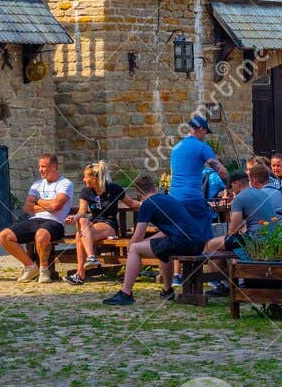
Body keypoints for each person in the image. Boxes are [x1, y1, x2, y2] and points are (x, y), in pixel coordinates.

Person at [104, 173, 214, 305]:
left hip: (183, 242)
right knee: (162, 249)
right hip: (198, 242)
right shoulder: (169, 199)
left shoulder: (147, 204)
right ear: (154, 188)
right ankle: (167, 290)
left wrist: (131, 247)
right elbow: (166, 232)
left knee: (134, 249)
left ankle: (126, 293)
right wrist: (146, 243)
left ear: (139, 193)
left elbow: (138, 235)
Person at [0, 154, 74, 284]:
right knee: (3, 236)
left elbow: (56, 206)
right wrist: (47, 205)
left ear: (54, 167)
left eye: (43, 166)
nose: (40, 169)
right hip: (35, 221)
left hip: (55, 223)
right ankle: (31, 267)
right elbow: (27, 207)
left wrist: (37, 202)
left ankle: (44, 270)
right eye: (39, 166)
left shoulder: (65, 183)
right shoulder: (37, 184)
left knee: (41, 235)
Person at [65, 162, 134, 286]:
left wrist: (148, 203)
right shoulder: (86, 191)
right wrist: (74, 217)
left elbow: (131, 203)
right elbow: (81, 212)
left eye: (86, 176)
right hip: (93, 225)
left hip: (109, 225)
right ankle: (90, 260)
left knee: (79, 234)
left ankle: (81, 274)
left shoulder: (113, 188)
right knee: (81, 223)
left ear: (94, 178)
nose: (83, 179)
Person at [209, 158, 282, 253]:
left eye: (231, 186)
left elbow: (233, 231)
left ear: (237, 183)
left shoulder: (240, 198)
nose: (231, 190)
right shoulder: (265, 192)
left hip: (257, 240)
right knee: (222, 246)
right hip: (274, 237)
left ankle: (215, 267)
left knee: (210, 244)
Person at [167, 114, 229, 204]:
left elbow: (173, 175)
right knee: (206, 217)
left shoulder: (175, 148)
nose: (205, 136)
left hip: (173, 198)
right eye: (205, 132)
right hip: (191, 198)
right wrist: (230, 186)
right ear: (200, 129)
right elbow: (222, 172)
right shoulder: (202, 147)